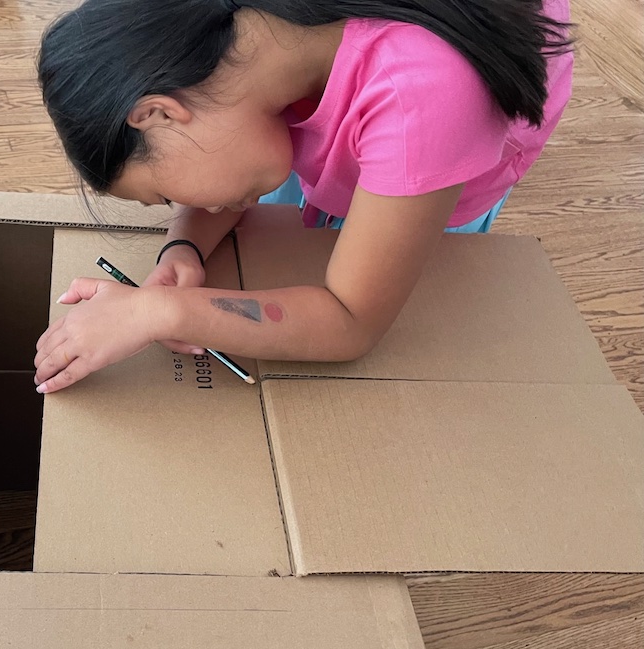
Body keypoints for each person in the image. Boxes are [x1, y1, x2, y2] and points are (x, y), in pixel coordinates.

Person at [33, 0, 573, 393]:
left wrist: (158, 312)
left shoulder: (419, 99)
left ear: (158, 113)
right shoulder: (237, 46)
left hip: (436, 157)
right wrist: (184, 246)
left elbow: (350, 318)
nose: (198, 207)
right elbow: (224, 174)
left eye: (162, 193)